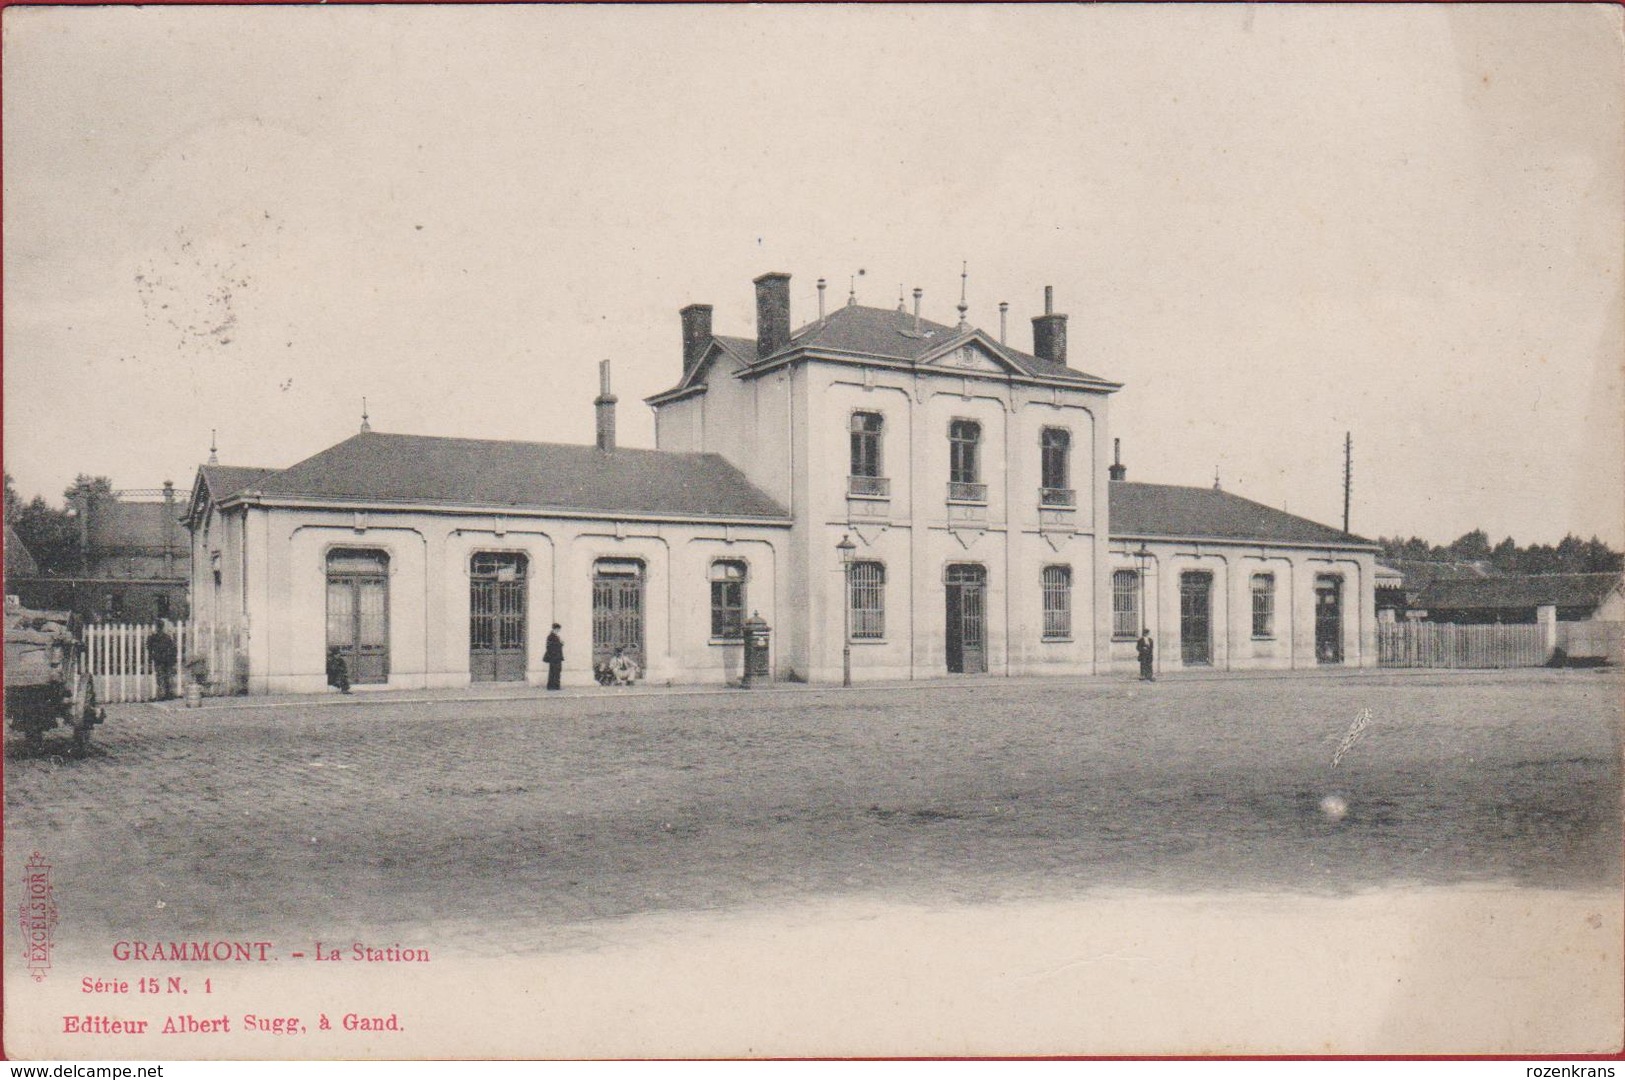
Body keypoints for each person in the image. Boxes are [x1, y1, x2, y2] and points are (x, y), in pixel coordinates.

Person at [146, 621, 178, 700]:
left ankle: (162, 694)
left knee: (160, 677)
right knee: (167, 677)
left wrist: (151, 659)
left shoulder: (153, 637)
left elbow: (149, 647)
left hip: (159, 660)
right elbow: (173, 649)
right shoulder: (167, 637)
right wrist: (173, 660)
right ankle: (168, 694)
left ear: (156, 627)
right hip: (167, 659)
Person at [543, 624, 564, 690]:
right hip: (554, 657)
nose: (558, 631)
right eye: (558, 629)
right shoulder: (551, 636)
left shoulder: (554, 636)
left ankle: (555, 685)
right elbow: (550, 646)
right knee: (554, 671)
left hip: (556, 657)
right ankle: (553, 686)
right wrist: (560, 644)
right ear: (555, 629)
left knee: (556, 671)